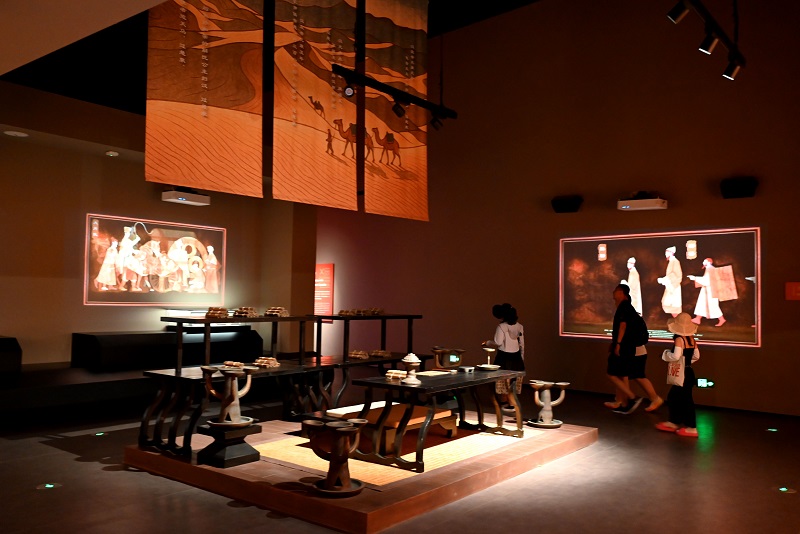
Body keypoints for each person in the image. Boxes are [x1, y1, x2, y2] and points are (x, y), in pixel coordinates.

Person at [605, 284, 649, 414]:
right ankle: (624, 403)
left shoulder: (624, 307)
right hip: (627, 347)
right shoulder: (627, 307)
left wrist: (618, 344)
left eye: (616, 290)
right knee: (622, 373)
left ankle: (631, 397)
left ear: (621, 293)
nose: (613, 293)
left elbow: (623, 326)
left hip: (624, 347)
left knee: (612, 373)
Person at [656, 312, 701, 437]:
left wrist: (665, 355)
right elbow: (696, 356)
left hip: (683, 375)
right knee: (677, 397)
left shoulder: (679, 339)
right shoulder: (691, 339)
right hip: (689, 372)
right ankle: (674, 422)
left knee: (682, 399)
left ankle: (690, 427)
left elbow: (676, 356)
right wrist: (686, 363)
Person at [483, 303, 525, 410]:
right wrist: (522, 357)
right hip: (516, 357)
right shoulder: (519, 326)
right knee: (513, 381)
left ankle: (503, 402)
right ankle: (512, 403)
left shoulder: (501, 327)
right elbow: (522, 344)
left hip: (503, 356)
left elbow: (498, 342)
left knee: (502, 380)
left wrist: (487, 342)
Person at [688, 257, 726, 326]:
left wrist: (694, 278)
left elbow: (707, 281)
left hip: (710, 291)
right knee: (702, 304)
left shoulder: (711, 269)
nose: (703, 262)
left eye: (705, 261)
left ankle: (721, 319)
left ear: (709, 262)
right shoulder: (709, 269)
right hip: (707, 290)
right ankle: (698, 318)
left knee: (713, 305)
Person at [657, 246, 683, 317]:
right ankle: (676, 320)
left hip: (674, 286)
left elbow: (676, 275)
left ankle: (678, 320)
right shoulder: (672, 262)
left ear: (671, 253)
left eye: (667, 252)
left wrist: (664, 279)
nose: (666, 254)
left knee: (673, 306)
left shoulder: (675, 262)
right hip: (670, 286)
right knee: (669, 305)